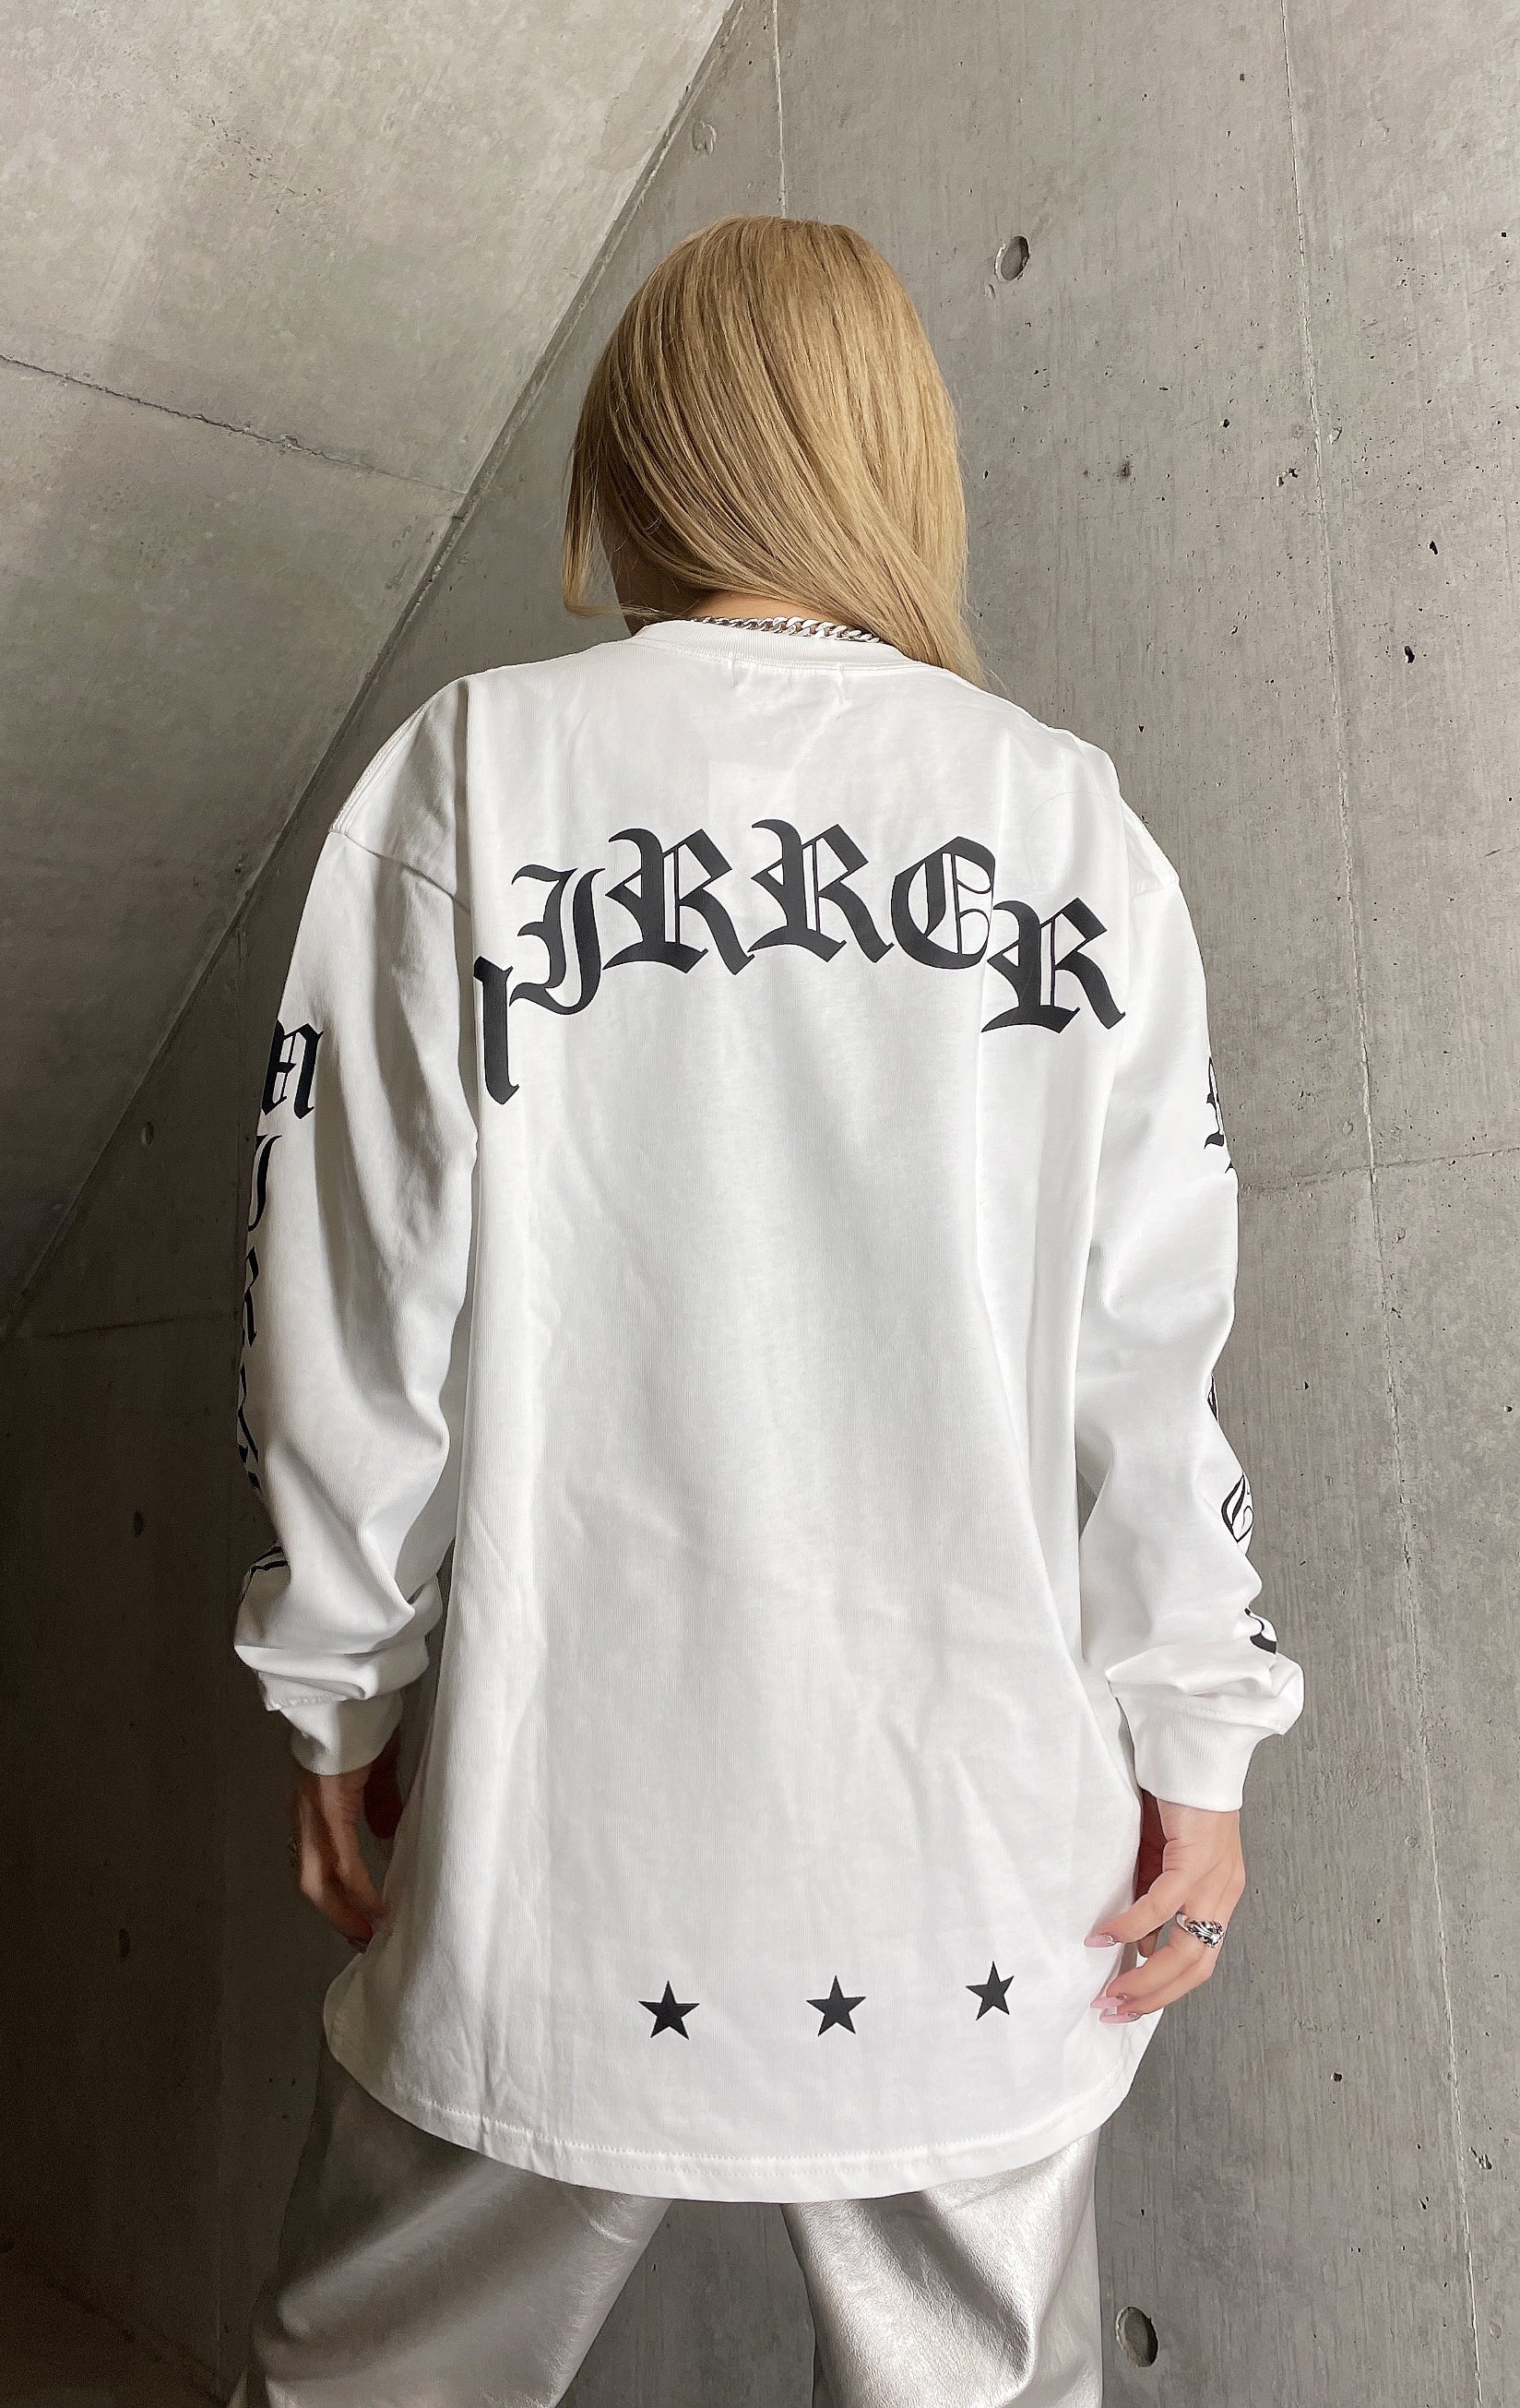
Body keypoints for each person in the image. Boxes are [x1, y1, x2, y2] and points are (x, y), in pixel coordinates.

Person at [228, 213, 1304, 2407]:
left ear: (633, 460)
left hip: (555, 1830)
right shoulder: (1063, 823)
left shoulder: (476, 773)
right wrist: (1192, 1742)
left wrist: (339, 1698)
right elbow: (1143, 1361)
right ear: (896, 457)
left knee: (368, 2385)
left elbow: (347, 1318)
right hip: (975, 1842)